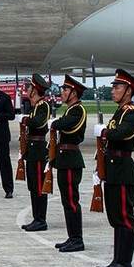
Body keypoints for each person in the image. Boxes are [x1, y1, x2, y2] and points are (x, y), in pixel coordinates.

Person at [94, 70, 134, 267]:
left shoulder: (132, 112)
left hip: (123, 170)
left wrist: (104, 132)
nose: (113, 90)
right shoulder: (120, 111)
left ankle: (125, 263)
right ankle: (118, 259)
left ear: (129, 91)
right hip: (114, 170)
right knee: (115, 218)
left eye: (117, 87)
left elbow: (122, 134)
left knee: (124, 217)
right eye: (113, 87)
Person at [51, 75, 89, 253]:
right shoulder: (69, 109)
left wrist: (55, 123)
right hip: (63, 158)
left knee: (72, 201)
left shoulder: (77, 110)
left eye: (66, 90)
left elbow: (66, 125)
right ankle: (72, 236)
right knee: (67, 201)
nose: (62, 92)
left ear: (74, 93)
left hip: (70, 159)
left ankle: (77, 239)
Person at [19, 75, 53, 232]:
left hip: (39, 149)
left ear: (35, 90)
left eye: (30, 88)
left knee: (39, 186)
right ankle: (36, 217)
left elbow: (39, 122)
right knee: (33, 186)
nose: (28, 90)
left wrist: (26, 120)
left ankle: (41, 219)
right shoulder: (35, 106)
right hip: (32, 150)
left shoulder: (43, 106)